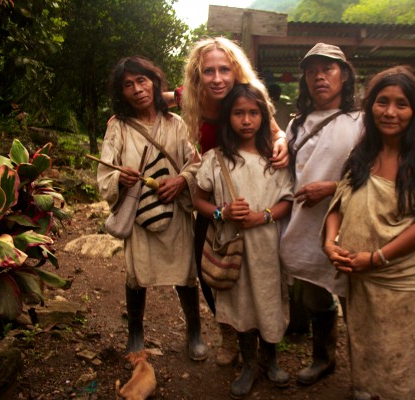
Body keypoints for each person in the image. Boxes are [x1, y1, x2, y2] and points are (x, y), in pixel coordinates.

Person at [323, 66, 415, 400]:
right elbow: (338, 203)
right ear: (370, 106)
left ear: (414, 111)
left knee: (399, 358)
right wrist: (330, 243)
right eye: (382, 102)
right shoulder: (362, 153)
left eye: (401, 104)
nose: (390, 112)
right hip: (359, 276)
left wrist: (376, 258)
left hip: (402, 281)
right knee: (364, 346)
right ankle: (365, 391)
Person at [175, 37, 290, 366]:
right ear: (198, 75)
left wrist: (283, 143)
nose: (217, 78)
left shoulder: (246, 99)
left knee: (257, 272)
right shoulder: (193, 100)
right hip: (212, 194)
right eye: (208, 71)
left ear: (235, 70)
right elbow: (160, 98)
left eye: (224, 69)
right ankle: (229, 332)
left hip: (252, 196)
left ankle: (261, 337)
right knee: (210, 269)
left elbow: (275, 130)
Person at [96, 56, 208, 361]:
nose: (137, 89)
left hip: (175, 212)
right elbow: (105, 173)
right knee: (137, 274)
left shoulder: (177, 124)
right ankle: (135, 332)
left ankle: (194, 331)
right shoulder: (117, 127)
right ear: (122, 93)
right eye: (128, 84)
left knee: (186, 273)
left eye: (142, 80)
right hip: (138, 213)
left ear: (155, 83)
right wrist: (120, 176)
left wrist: (182, 181)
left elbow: (196, 165)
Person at [193, 83, 293, 399]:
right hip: (234, 250)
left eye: (253, 113)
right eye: (238, 113)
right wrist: (222, 213)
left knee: (269, 301)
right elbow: (199, 201)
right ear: (228, 117)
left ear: (264, 116)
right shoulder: (216, 159)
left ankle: (270, 359)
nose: (246, 120)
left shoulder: (275, 160)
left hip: (268, 248)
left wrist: (263, 216)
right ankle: (249, 364)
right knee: (242, 305)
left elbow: (287, 201)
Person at [279, 43, 363, 385]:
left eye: (327, 70)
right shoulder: (296, 124)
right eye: (312, 71)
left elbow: (373, 172)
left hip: (352, 223)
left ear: (343, 76)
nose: (319, 77)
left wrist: (330, 188)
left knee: (355, 302)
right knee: (316, 294)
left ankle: (364, 374)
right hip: (305, 225)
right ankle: (324, 358)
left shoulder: (361, 121)